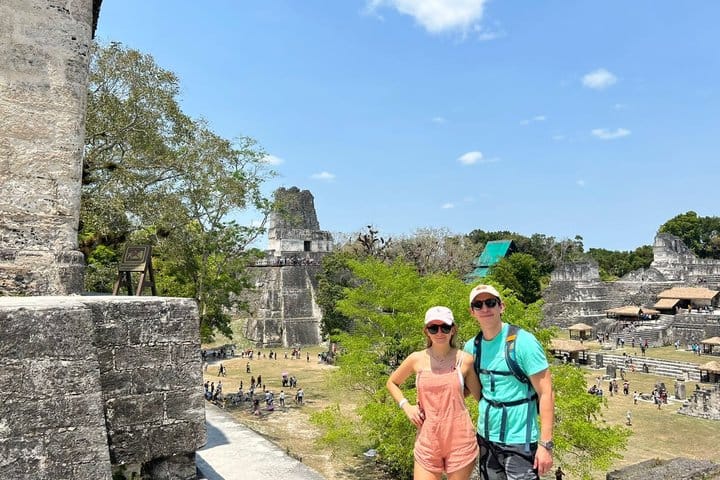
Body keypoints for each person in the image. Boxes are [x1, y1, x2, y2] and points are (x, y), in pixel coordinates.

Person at [464, 284, 555, 479]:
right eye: (478, 305)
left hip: (519, 440)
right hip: (486, 438)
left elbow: (546, 392)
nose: (485, 309)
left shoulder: (523, 342)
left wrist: (546, 444)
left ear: (501, 306)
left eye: (490, 303)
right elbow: (467, 388)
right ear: (472, 312)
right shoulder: (472, 347)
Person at [387, 306, 481, 480]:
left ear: (453, 330)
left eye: (445, 327)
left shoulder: (465, 360)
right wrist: (406, 406)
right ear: (426, 331)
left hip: (460, 439)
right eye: (433, 328)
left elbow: (481, 397)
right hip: (428, 438)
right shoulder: (416, 359)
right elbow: (392, 382)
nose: (439, 332)